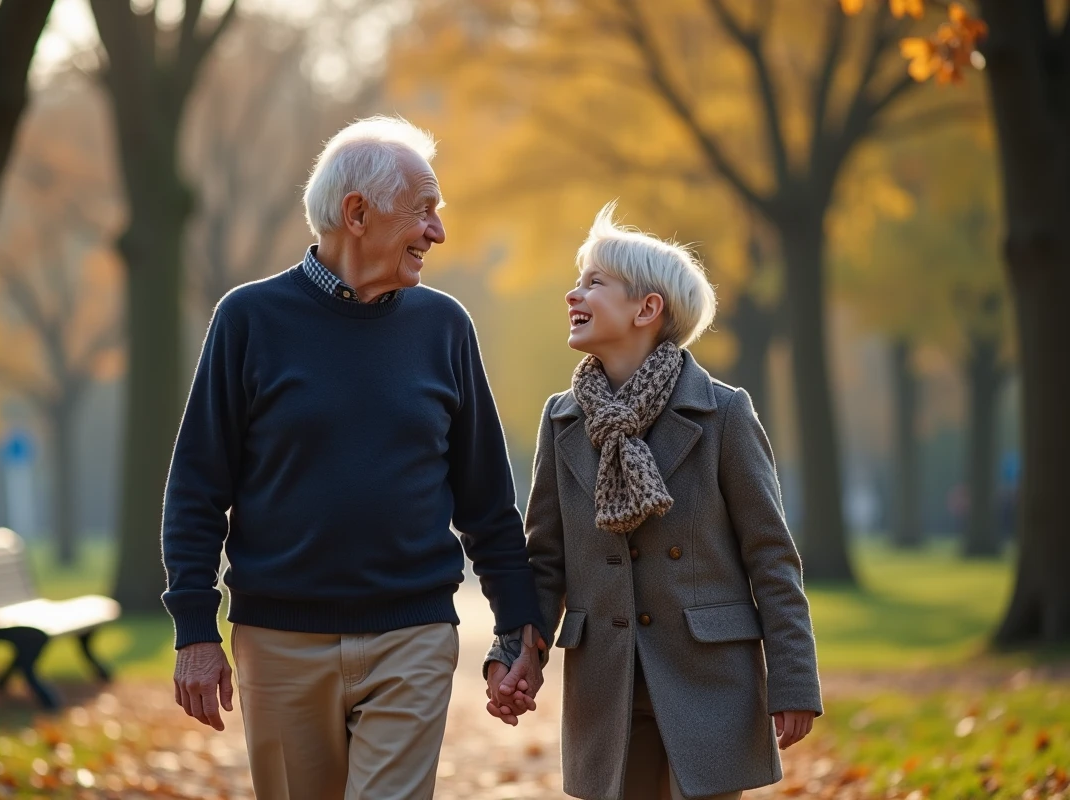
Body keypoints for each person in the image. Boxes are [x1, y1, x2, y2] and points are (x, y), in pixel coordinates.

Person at [161, 116, 544, 800]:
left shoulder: (444, 327)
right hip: (278, 640)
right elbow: (196, 487)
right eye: (423, 211)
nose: (437, 231)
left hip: (413, 634)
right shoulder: (248, 320)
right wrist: (195, 628)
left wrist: (516, 627)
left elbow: (488, 500)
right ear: (357, 213)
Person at [486, 202, 823, 800]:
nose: (573, 294)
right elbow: (545, 561)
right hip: (605, 684)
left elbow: (772, 558)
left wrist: (794, 682)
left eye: (594, 282)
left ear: (647, 309)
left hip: (710, 682)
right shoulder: (562, 420)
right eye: (576, 281)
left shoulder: (722, 413)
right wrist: (515, 654)